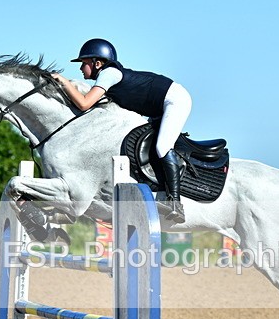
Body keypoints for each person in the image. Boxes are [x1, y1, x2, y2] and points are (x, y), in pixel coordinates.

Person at [51, 38, 191, 223]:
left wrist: (64, 81)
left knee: (163, 146)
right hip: (158, 106)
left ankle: (175, 203)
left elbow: (84, 103)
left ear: (97, 63)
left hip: (174, 99)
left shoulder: (109, 73)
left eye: (84, 63)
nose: (81, 68)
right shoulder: (108, 79)